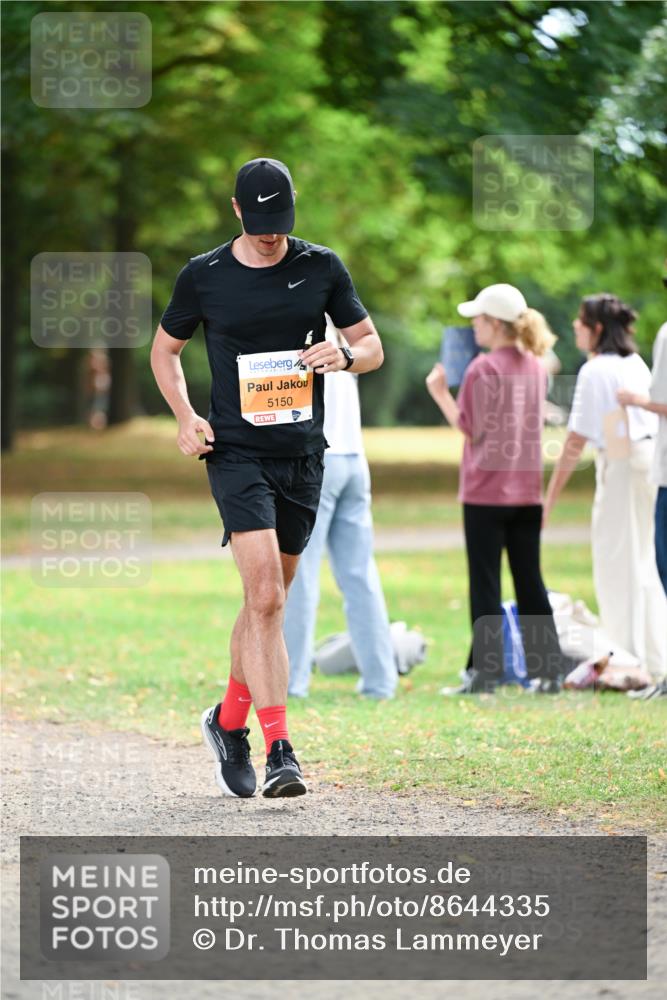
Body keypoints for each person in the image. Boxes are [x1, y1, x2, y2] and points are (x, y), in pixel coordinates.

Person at [151, 157, 384, 798]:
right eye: (258, 226)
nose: (269, 237)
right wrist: (184, 416)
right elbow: (163, 350)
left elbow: (372, 346)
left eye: (278, 225)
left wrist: (343, 354)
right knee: (268, 600)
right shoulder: (204, 276)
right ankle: (280, 746)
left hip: (305, 455)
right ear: (235, 211)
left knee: (265, 604)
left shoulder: (321, 266)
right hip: (235, 454)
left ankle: (226, 721)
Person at [426, 283, 568, 694]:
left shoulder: (482, 369)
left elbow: (471, 429)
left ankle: (486, 675)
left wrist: (439, 393)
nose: (473, 327)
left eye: (478, 320)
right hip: (527, 491)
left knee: (485, 581)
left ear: (494, 324)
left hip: (486, 492)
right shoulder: (536, 367)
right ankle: (548, 672)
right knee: (530, 580)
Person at [544, 293, 667, 687]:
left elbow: (575, 440)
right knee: (646, 563)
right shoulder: (634, 362)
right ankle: (654, 655)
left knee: (617, 564)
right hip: (646, 461)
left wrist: (550, 497)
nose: (576, 328)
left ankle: (628, 659)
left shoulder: (595, 370)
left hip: (623, 464)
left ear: (596, 329)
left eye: (581, 322)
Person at [283, 319, 397, 701]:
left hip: (321, 465)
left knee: (300, 574)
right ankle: (380, 681)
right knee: (360, 575)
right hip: (355, 463)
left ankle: (291, 680)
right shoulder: (347, 357)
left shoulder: (307, 357)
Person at [616, 320, 667, 699]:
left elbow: (613, 436)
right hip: (646, 459)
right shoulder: (634, 360)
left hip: (648, 466)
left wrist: (635, 401)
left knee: (657, 566)